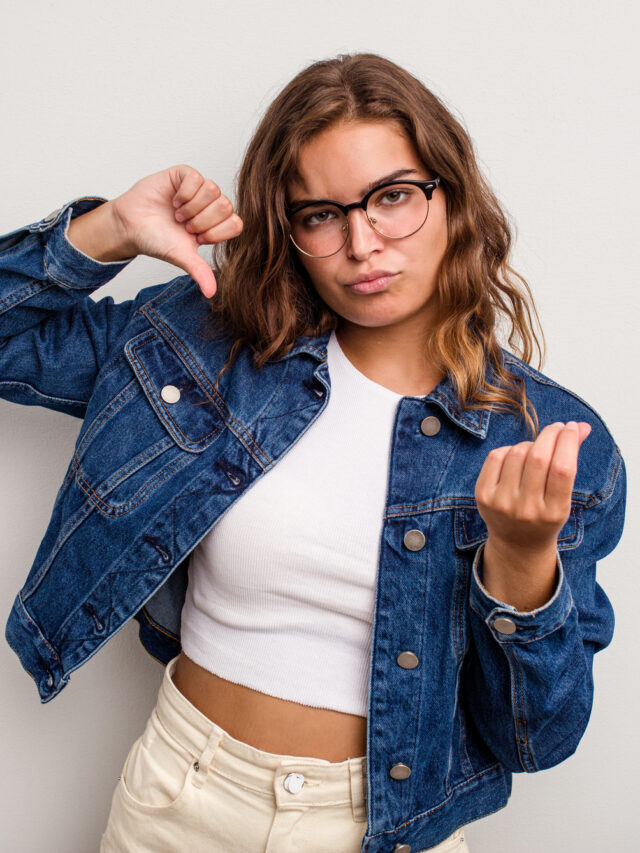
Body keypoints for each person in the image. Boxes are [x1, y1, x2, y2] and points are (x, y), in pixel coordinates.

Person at [0, 53, 626, 853]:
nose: (362, 242)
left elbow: (537, 738)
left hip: (384, 831)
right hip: (177, 799)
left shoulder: (547, 442)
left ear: (453, 197)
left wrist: (524, 559)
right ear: (289, 231)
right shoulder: (206, 344)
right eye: (322, 213)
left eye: (394, 197)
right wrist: (109, 228)